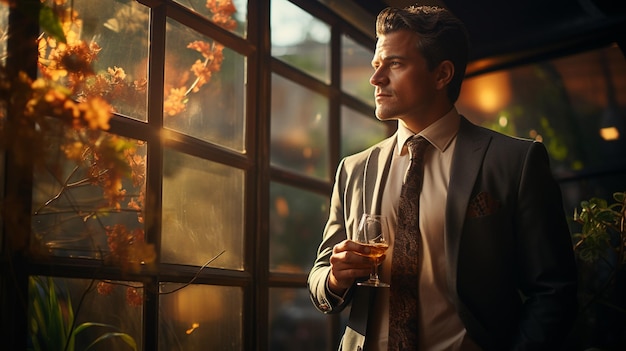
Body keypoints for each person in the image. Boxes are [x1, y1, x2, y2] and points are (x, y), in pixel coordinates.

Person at [307, 5, 578, 351]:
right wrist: (334, 278)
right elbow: (319, 277)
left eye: (395, 64)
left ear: (442, 74)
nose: (376, 79)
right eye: (377, 65)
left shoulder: (514, 162)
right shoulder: (354, 170)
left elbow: (554, 290)